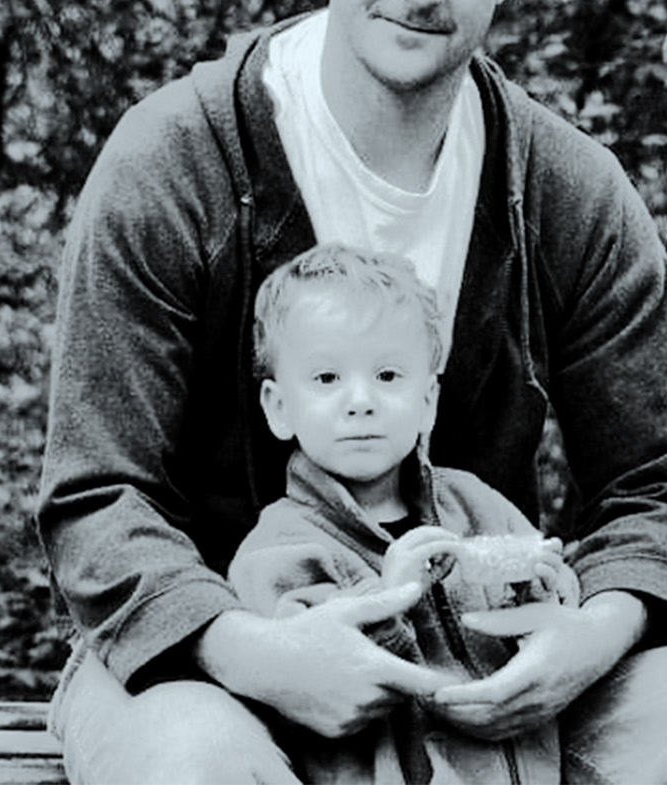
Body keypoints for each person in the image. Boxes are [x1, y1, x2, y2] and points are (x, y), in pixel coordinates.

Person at [37, 0, 667, 784]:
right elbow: (100, 495)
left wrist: (587, 634)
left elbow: (659, 484)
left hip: (492, 668)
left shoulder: (563, 189)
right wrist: (260, 650)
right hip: (216, 659)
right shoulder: (180, 162)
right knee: (194, 766)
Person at [228, 243, 575, 784]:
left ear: (428, 402)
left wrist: (547, 593)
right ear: (278, 407)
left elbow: (543, 636)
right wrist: (387, 604)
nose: (361, 400)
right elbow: (306, 694)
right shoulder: (279, 549)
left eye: (389, 376)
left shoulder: (477, 505)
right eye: (326, 379)